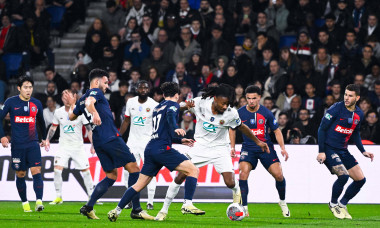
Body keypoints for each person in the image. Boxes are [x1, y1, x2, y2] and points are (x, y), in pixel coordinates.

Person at [155, 84, 269, 221]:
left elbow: (242, 127)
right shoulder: (200, 103)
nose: (225, 106)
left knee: (230, 183)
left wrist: (258, 141)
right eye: (222, 103)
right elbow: (175, 107)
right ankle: (163, 211)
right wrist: (182, 106)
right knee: (180, 177)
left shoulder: (231, 112)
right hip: (200, 146)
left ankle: (237, 194)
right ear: (214, 98)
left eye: (227, 103)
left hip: (220, 148)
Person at [65, 68, 153, 220]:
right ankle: (136, 209)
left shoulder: (81, 98)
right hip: (110, 137)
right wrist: (94, 112)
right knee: (134, 168)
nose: (107, 86)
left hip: (99, 141)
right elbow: (90, 102)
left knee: (111, 175)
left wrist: (73, 104)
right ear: (97, 81)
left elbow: (72, 116)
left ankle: (88, 207)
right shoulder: (95, 93)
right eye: (105, 83)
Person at [107, 82, 199, 222]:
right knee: (193, 170)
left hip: (150, 148)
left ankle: (116, 210)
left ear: (163, 95)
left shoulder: (157, 107)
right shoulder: (172, 105)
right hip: (162, 149)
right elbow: (171, 114)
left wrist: (181, 141)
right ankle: (187, 203)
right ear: (176, 95)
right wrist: (176, 127)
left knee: (138, 184)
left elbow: (164, 129)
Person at [229, 85, 290, 217]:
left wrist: (283, 148)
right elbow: (232, 129)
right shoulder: (239, 113)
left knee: (279, 176)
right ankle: (244, 208)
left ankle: (283, 202)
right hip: (248, 148)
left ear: (259, 98)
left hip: (265, 148)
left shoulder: (266, 112)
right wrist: (232, 147)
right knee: (243, 174)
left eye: (254, 98)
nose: (251, 101)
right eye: (248, 98)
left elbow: (276, 131)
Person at [317, 84, 374, 219]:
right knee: (343, 176)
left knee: (360, 180)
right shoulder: (336, 108)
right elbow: (321, 129)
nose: (346, 98)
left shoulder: (359, 114)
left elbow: (355, 134)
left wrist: (362, 151)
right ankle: (333, 203)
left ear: (357, 98)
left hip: (343, 150)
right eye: (345, 95)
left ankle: (342, 204)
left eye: (350, 96)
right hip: (329, 148)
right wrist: (321, 151)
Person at [0, 76, 46, 212]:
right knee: (20, 174)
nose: (28, 90)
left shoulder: (36, 103)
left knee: (36, 171)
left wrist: (43, 138)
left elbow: (42, 122)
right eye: (25, 87)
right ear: (19, 88)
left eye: (30, 87)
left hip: (33, 144)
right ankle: (25, 203)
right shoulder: (11, 102)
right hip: (17, 146)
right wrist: (2, 136)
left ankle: (39, 201)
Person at [45, 89, 95, 205]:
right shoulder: (58, 112)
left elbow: (89, 130)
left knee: (86, 172)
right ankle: (58, 197)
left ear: (74, 97)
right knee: (57, 170)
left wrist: (93, 144)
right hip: (63, 146)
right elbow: (53, 128)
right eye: (64, 96)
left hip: (78, 146)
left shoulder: (81, 111)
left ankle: (92, 197)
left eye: (68, 96)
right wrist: (48, 139)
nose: (66, 99)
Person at [119, 81, 158, 210]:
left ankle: (150, 201)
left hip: (147, 143)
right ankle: (129, 199)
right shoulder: (130, 102)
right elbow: (126, 121)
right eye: (141, 87)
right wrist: (118, 137)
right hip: (132, 142)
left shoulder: (154, 105)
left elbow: (157, 125)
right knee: (127, 171)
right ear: (136, 89)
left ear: (149, 89)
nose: (143, 89)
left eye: (145, 87)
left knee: (149, 172)